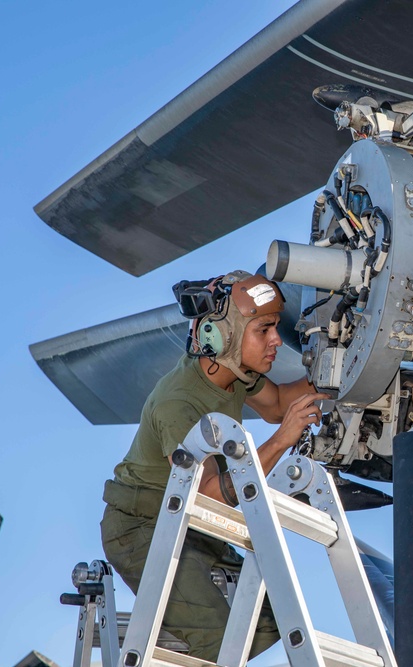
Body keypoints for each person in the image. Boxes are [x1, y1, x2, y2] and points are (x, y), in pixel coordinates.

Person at [100, 270, 325, 661]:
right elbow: (206, 498)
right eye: (265, 329)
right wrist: (282, 441)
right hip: (142, 528)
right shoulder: (179, 403)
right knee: (222, 642)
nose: (276, 340)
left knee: (270, 620)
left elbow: (276, 405)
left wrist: (340, 368)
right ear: (223, 337)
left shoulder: (233, 372)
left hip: (188, 522)